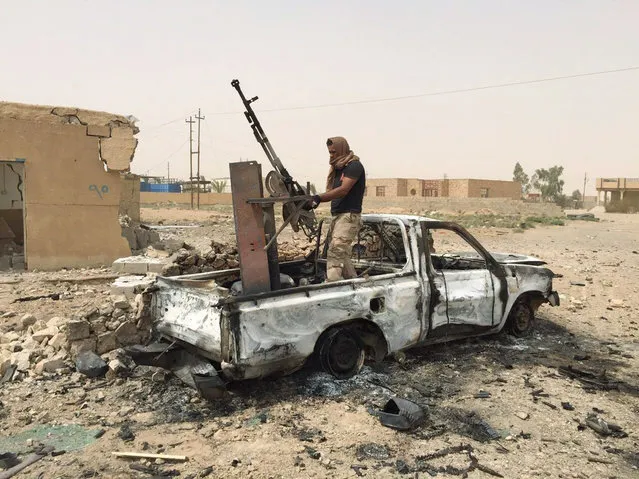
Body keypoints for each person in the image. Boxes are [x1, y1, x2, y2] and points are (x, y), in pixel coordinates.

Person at [311, 136, 366, 281]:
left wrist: (319, 198)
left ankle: (332, 287)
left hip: (348, 216)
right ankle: (354, 285)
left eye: (334, 152)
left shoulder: (354, 166)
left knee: (335, 252)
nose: (331, 155)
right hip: (338, 215)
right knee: (343, 255)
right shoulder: (337, 168)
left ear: (342, 149)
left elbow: (343, 190)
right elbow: (333, 192)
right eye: (329, 152)